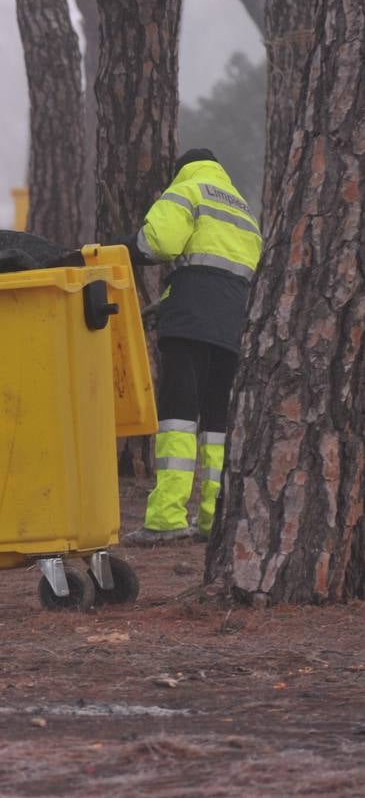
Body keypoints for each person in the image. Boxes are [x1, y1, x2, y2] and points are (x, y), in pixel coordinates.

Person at [120, 148, 262, 545]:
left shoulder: (187, 190)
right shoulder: (244, 212)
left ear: (181, 169)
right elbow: (223, 273)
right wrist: (166, 303)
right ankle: (213, 520)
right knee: (218, 424)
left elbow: (156, 244)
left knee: (179, 418)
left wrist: (117, 247)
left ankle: (166, 518)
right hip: (233, 328)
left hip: (189, 327)